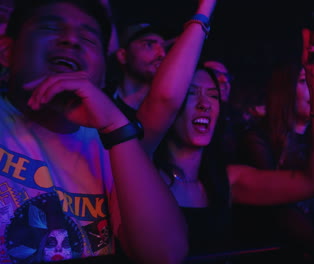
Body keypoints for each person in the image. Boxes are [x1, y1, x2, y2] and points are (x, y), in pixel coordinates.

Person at [137, 3, 314, 258]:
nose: (204, 103)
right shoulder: (141, 167)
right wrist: (205, 9)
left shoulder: (228, 181)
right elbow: (164, 97)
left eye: (212, 95)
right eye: (191, 94)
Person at [0, 0, 187, 263]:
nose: (71, 40)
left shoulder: (112, 147)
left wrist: (115, 128)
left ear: (101, 74)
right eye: (51, 28)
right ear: (6, 51)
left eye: (88, 39)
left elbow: (165, 254)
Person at [107, 23, 167, 121]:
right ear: (122, 55)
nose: (162, 54)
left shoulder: (169, 113)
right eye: (149, 45)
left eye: (164, 48)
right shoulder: (102, 101)